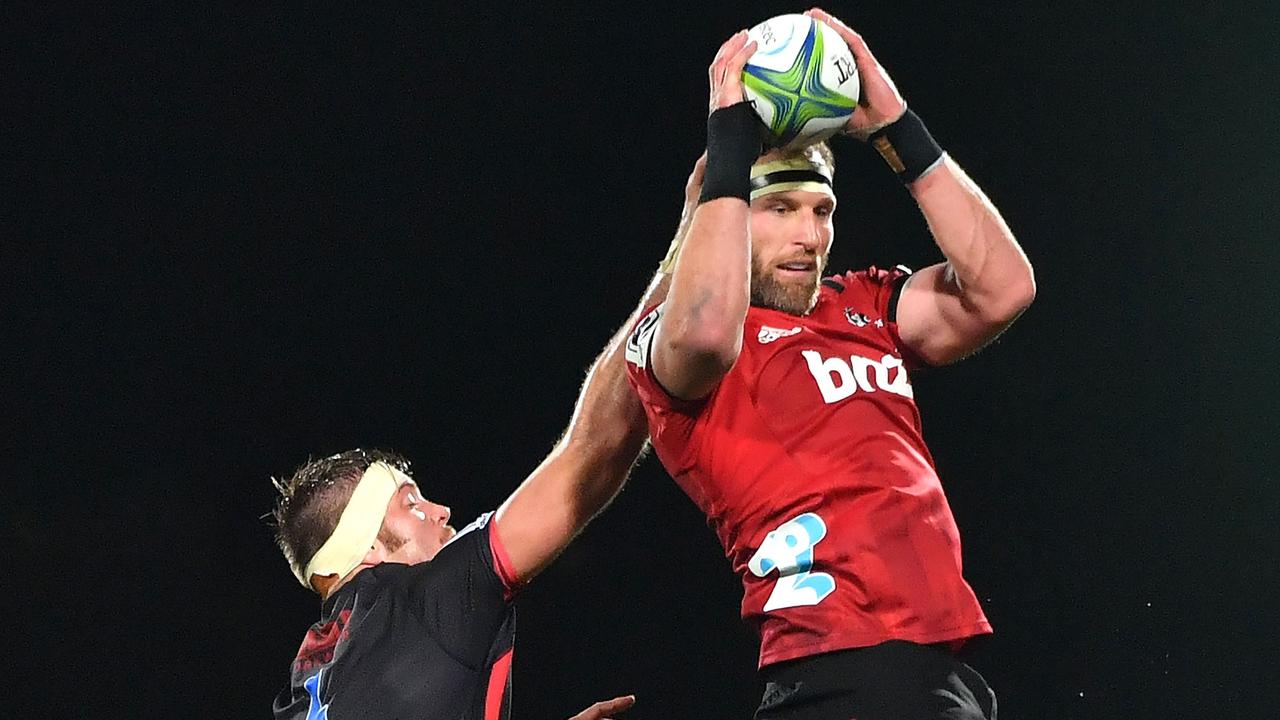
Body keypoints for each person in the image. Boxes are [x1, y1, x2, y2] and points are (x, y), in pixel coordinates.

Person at [623, 8, 1035, 719]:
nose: (809, 234)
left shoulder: (866, 304)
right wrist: (727, 145)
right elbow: (704, 334)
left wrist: (896, 127)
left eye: (821, 210)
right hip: (839, 671)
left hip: (940, 673)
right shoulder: (677, 339)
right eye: (779, 208)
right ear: (724, 209)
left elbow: (1003, 289)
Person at [269, 271, 671, 719]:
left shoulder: (302, 686)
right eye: (411, 504)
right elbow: (594, 452)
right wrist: (684, 254)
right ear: (368, 547)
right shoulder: (424, 604)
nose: (440, 512)